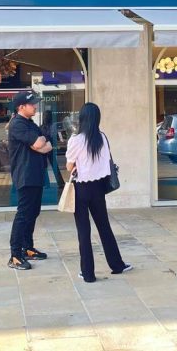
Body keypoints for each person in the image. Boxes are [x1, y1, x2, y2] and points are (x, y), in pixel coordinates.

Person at [65, 103, 131, 283]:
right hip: (99, 188)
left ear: (82, 118)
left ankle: (88, 274)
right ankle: (117, 265)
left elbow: (69, 166)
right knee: (104, 227)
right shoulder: (102, 138)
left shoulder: (76, 140)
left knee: (83, 231)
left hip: (81, 189)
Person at [7, 90, 54, 271]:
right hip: (25, 175)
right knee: (23, 214)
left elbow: (46, 145)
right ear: (21, 107)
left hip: (35, 174)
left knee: (33, 212)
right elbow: (38, 144)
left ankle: (27, 248)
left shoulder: (30, 123)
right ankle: (15, 255)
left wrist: (41, 143)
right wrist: (40, 143)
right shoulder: (17, 124)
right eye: (32, 104)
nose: (35, 106)